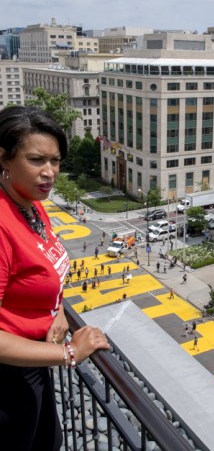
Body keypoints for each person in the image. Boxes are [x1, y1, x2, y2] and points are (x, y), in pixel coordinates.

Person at [0, 106, 110, 451]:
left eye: (56, 161)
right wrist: (70, 354)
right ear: (3, 158)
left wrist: (56, 308)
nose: (50, 173)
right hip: (8, 378)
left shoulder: (30, 203)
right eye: (36, 160)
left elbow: (39, 270)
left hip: (32, 361)